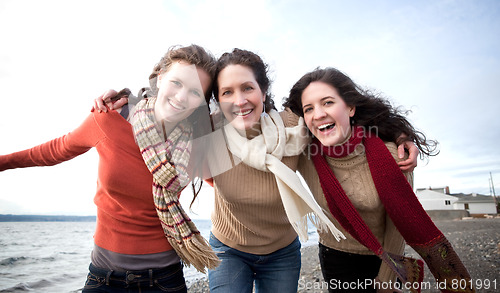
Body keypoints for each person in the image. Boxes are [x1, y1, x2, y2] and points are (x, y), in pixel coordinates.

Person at [94, 49, 420, 293]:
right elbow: (166, 105)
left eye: (247, 88)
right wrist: (126, 98)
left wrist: (400, 134)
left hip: (282, 252)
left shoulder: (293, 127)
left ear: (263, 91)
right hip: (228, 249)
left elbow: (339, 112)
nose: (239, 100)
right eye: (226, 92)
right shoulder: (206, 134)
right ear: (216, 101)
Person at [0, 44, 220, 293]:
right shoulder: (108, 118)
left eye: (194, 92)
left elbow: (227, 185)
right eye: (177, 83)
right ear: (160, 77)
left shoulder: (194, 145)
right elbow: (55, 150)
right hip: (104, 278)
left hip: (165, 280)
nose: (181, 97)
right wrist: (3, 163)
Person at [284, 67, 474, 293]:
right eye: (309, 108)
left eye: (327, 103)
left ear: (351, 107)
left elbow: (397, 226)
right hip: (333, 257)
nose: (318, 114)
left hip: (384, 257)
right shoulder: (306, 153)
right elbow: (272, 119)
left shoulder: (393, 154)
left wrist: (386, 278)